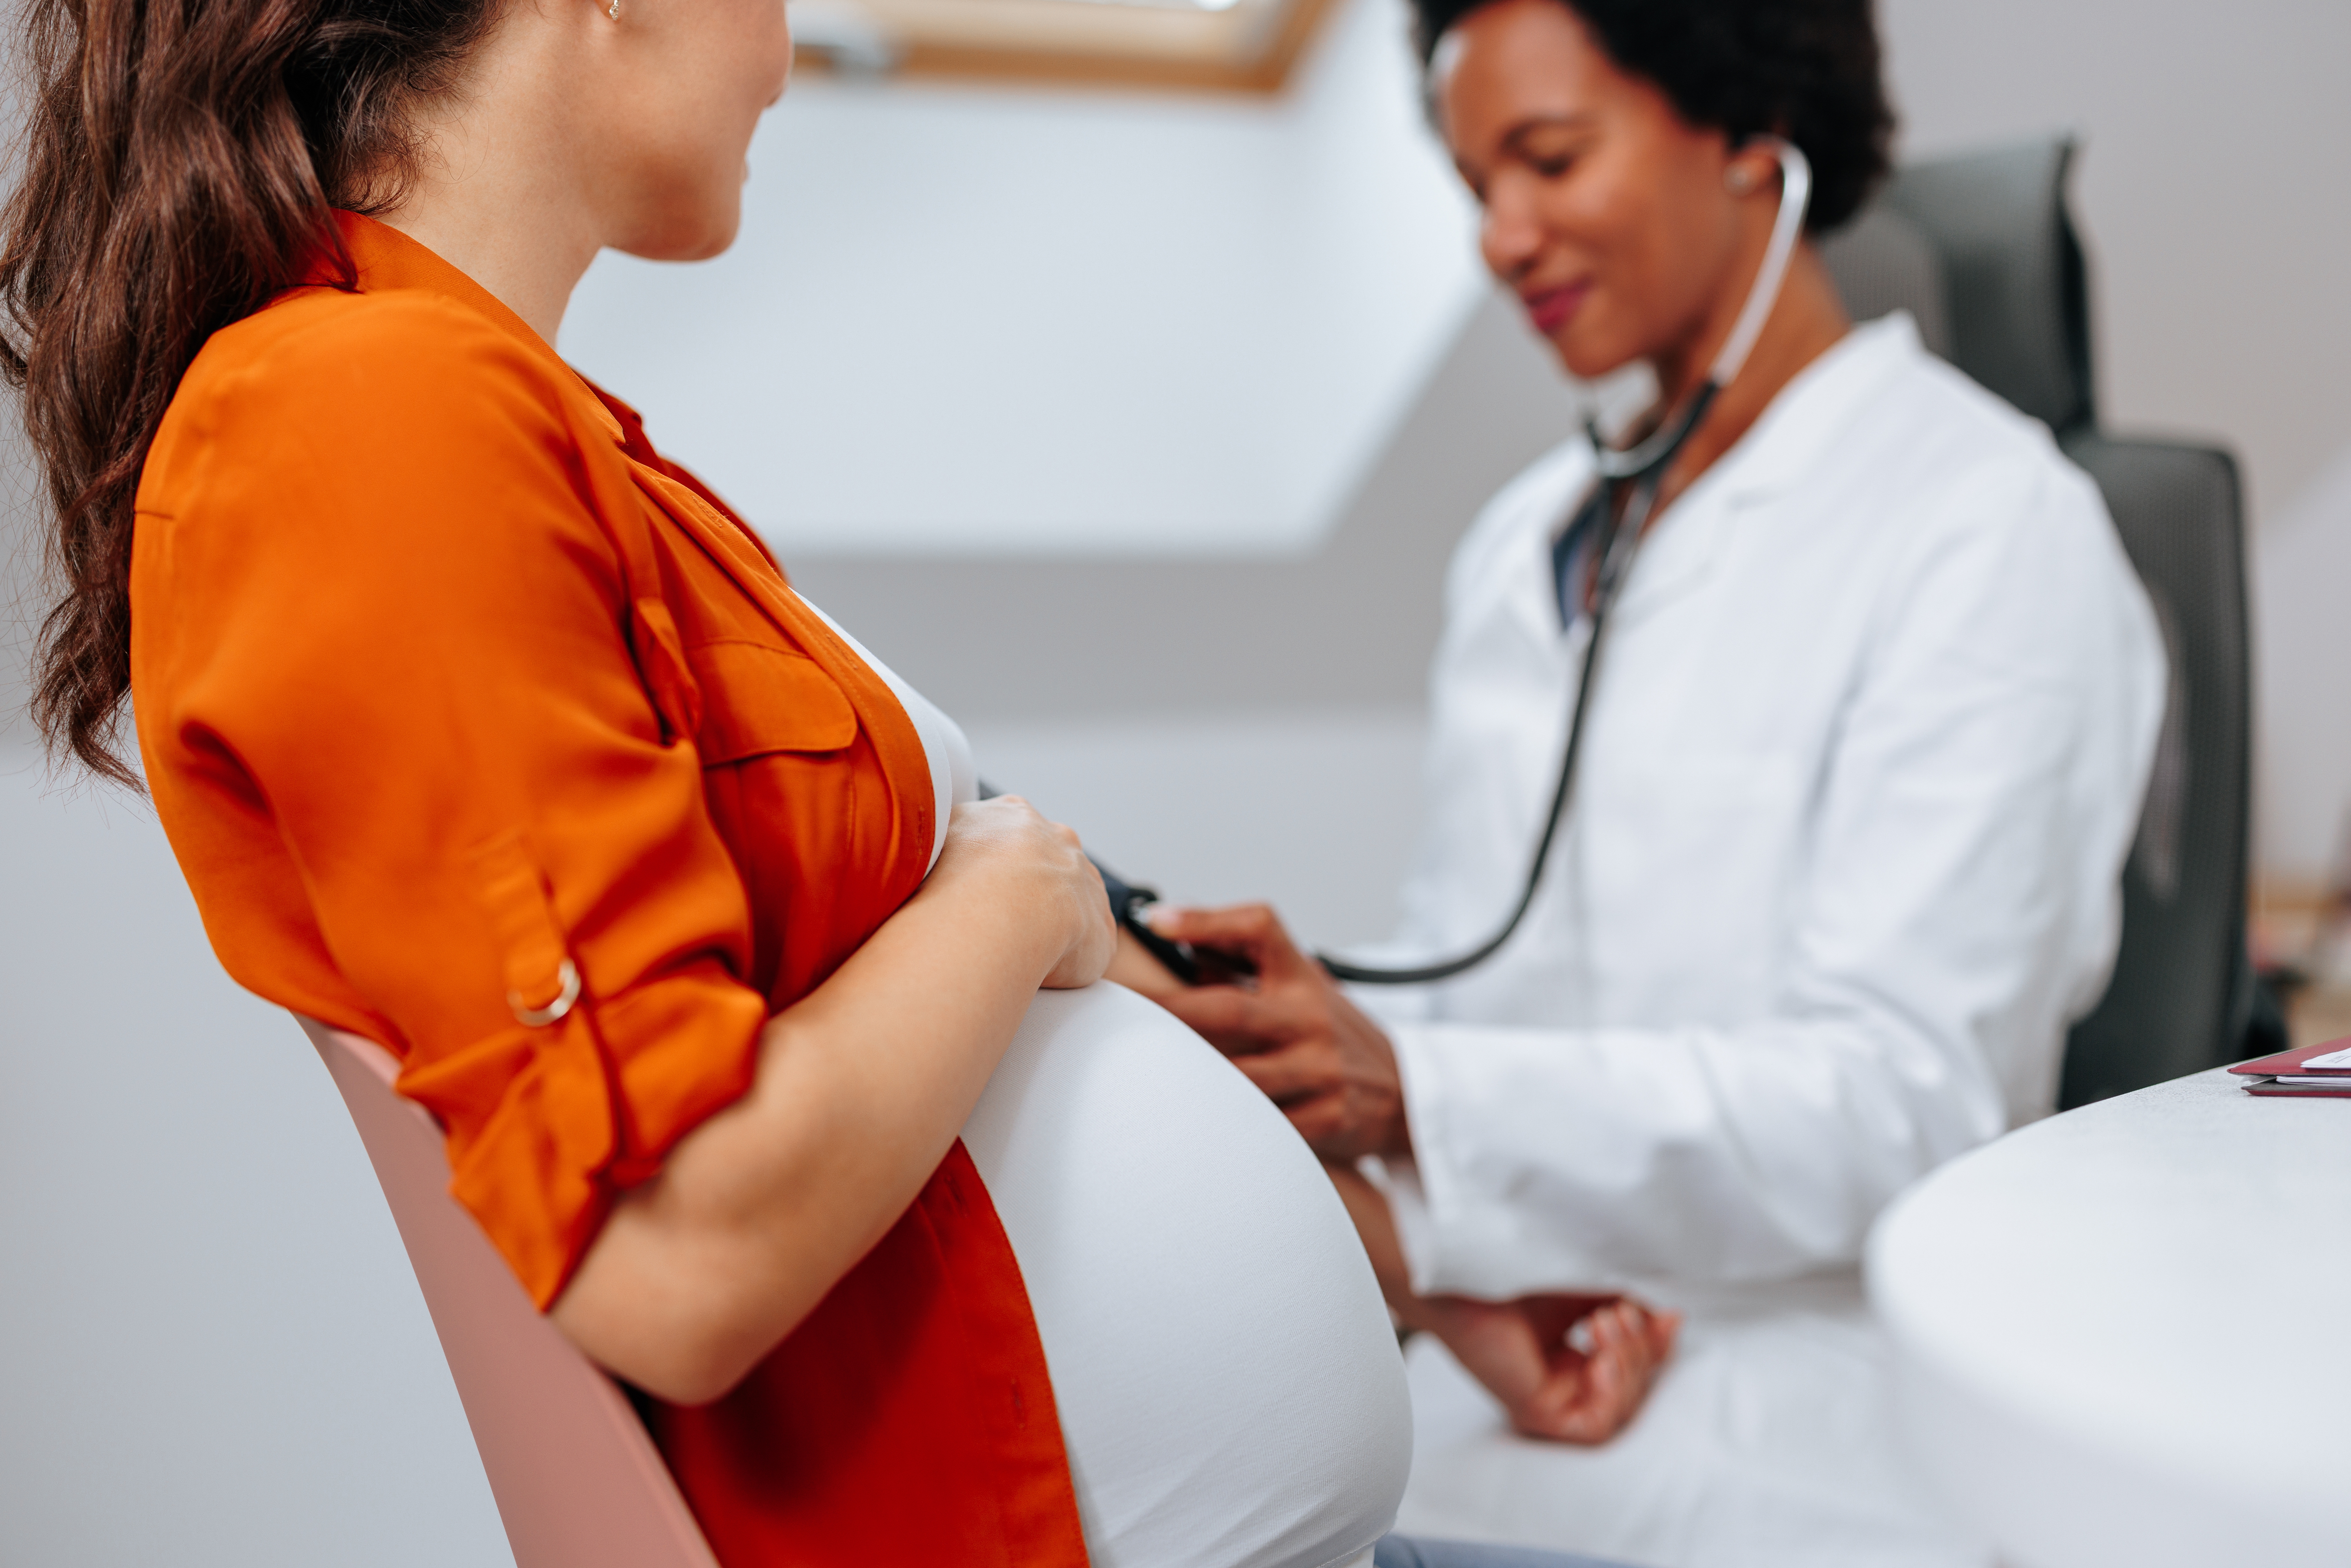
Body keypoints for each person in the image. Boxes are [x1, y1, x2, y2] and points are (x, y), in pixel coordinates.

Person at [0, 2, 1654, 1566]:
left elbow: (940, 1015)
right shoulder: (359, 416)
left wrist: (1420, 1273)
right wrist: (1015, 894)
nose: (789, 51)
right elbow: (681, 1252)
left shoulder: (543, 439)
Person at [1123, 1, 2168, 1564]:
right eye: (1477, 184)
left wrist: (1423, 1091)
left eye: (1549, 160)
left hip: (1806, 1367)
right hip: (1531, 1319)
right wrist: (1363, 1108)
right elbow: (1477, 972)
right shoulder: (1520, 547)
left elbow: (1906, 1096)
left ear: (1753, 136)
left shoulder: (1987, 530)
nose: (1501, 236)